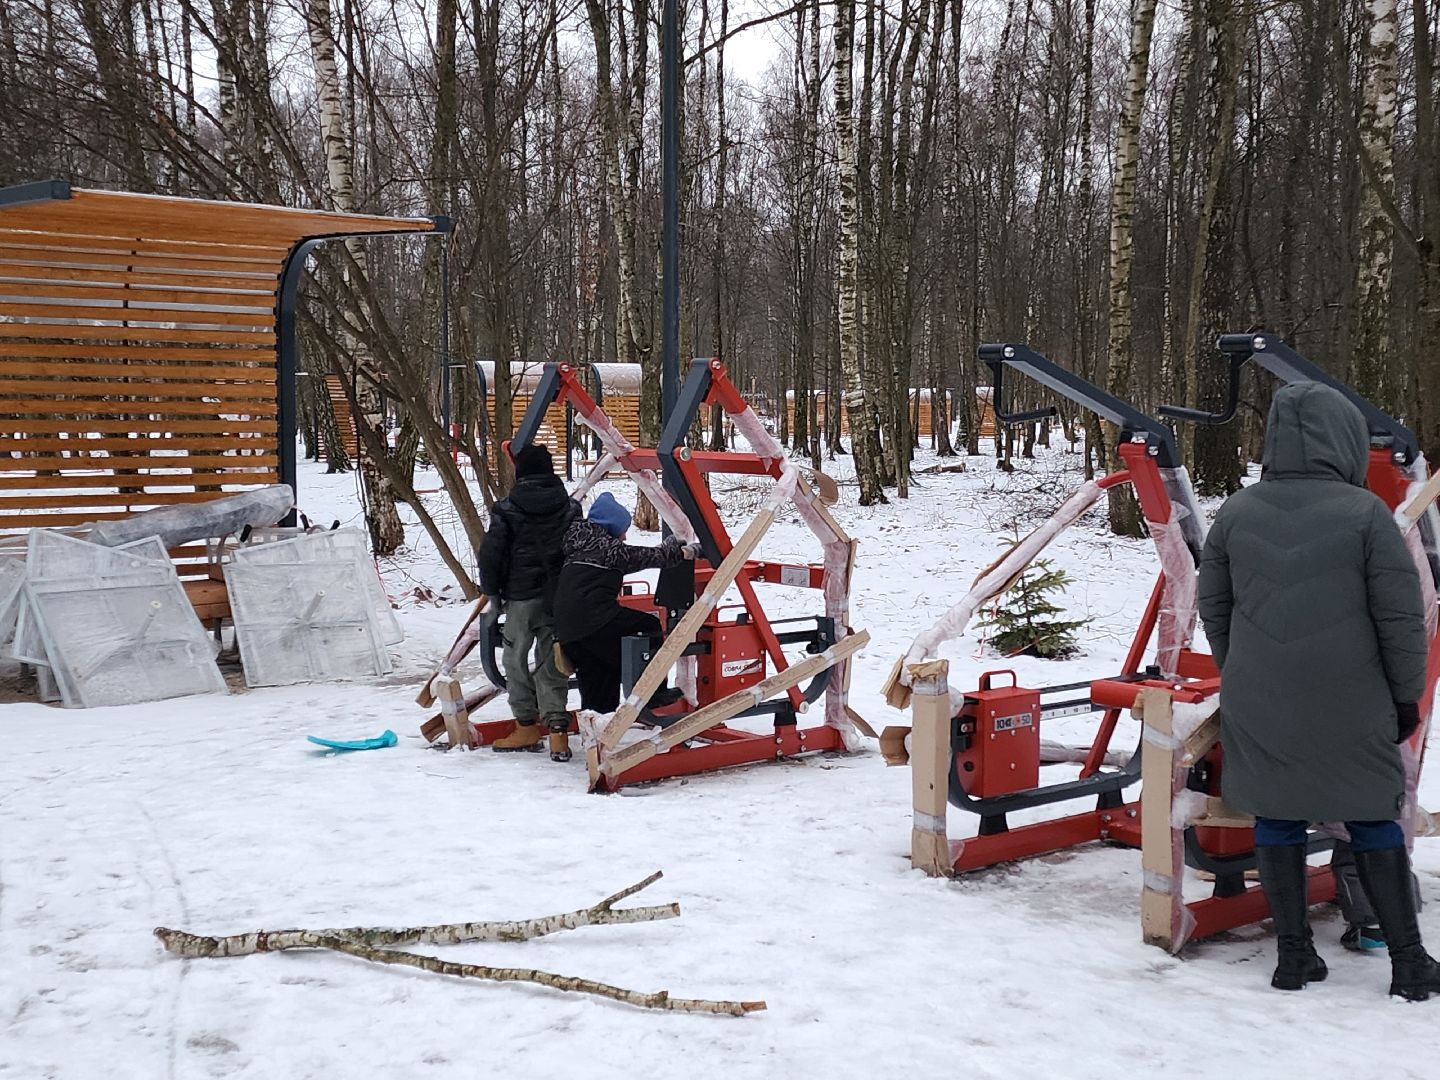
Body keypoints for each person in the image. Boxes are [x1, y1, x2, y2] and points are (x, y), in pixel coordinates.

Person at [1198, 380, 1439, 999]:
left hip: (1260, 698)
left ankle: (1292, 958)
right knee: (1371, 816)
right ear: (1345, 439)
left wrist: (1245, 669)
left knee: (1275, 814)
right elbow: (1401, 619)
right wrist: (1405, 697)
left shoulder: (1236, 512)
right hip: (1354, 700)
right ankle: (1409, 963)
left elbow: (1214, 609)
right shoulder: (1366, 518)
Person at [477, 445, 579, 761]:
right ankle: (558, 733)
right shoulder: (571, 507)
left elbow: (491, 556)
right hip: (558, 597)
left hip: (520, 598)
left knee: (514, 661)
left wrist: (493, 597)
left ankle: (526, 725)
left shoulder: (507, 510)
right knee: (552, 662)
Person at [553, 492, 695, 715]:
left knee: (600, 672)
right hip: (594, 619)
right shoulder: (609, 550)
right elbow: (653, 557)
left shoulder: (575, 541)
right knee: (648, 625)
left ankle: (597, 731)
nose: (625, 537)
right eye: (624, 531)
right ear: (612, 526)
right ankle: (653, 690)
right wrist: (677, 547)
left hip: (568, 629)